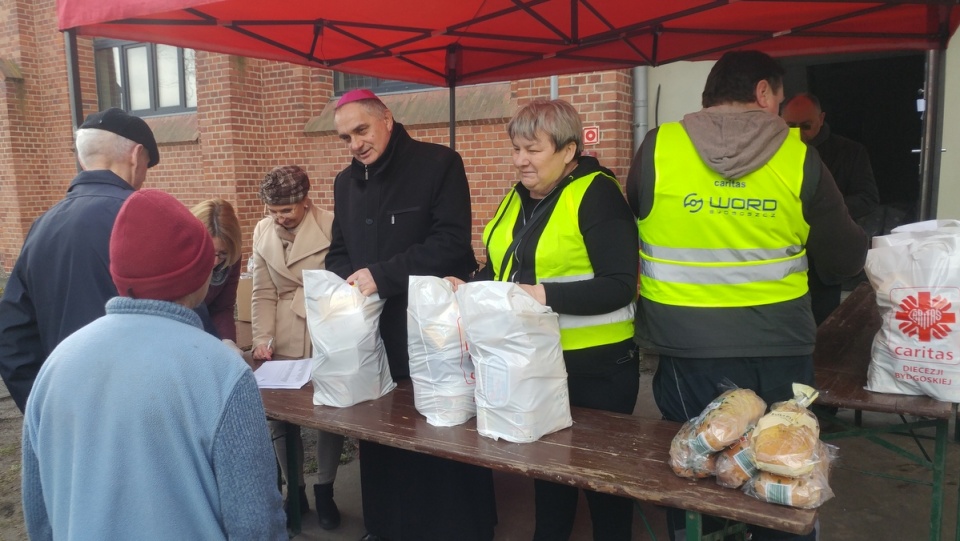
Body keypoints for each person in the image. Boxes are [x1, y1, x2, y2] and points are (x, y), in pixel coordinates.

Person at [626, 50, 867, 541]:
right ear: (762, 93)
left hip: (683, 350)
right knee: (784, 471)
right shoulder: (800, 156)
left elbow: (632, 221)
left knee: (695, 476)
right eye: (778, 99)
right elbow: (844, 259)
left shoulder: (658, 147)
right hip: (778, 350)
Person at [21, 189, 286, 540]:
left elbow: (39, 516)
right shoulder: (222, 374)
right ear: (200, 274)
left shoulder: (56, 366)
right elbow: (256, 525)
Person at [449, 98, 640, 541]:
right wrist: (470, 283)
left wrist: (542, 295)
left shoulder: (597, 194)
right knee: (548, 474)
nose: (520, 161)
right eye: (516, 149)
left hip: (596, 368)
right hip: (532, 364)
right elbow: (505, 269)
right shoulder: (517, 197)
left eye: (533, 150)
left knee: (604, 487)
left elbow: (618, 284)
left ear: (569, 150)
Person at [327, 88, 496, 541]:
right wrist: (347, 281)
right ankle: (387, 528)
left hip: (434, 334)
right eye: (345, 137)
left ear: (386, 118)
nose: (355, 144)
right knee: (379, 438)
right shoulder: (345, 183)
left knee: (445, 438)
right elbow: (339, 253)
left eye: (361, 130)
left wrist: (379, 275)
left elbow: (450, 243)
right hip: (374, 335)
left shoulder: (438, 164)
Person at [0, 108, 159, 413]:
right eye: (147, 166)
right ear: (137, 156)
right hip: (140, 410)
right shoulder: (144, 218)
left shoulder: (41, 226)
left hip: (66, 412)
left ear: (84, 159)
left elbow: (13, 336)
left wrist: (44, 409)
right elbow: (184, 320)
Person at [250, 165, 344, 530]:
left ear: (306, 202)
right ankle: (296, 489)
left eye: (286, 210)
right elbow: (262, 290)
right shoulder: (262, 231)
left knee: (328, 417)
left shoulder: (331, 225)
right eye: (273, 212)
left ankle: (325, 489)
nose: (279, 218)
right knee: (282, 416)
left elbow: (341, 281)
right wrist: (262, 339)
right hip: (283, 334)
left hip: (323, 327)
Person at [782, 92, 880, 324]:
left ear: (821, 118)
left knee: (823, 329)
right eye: (790, 126)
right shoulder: (772, 153)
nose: (798, 133)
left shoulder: (850, 152)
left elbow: (868, 198)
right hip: (782, 259)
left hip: (824, 264)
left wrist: (825, 208)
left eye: (806, 126)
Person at [191, 198, 243, 342]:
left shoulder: (232, 257)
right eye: (210, 252)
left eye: (222, 254)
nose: (215, 261)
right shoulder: (175, 258)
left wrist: (228, 341)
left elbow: (222, 307)